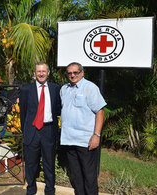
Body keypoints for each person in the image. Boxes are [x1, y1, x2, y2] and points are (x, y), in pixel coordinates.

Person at [60, 62, 106, 195]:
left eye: (75, 72)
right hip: (69, 139)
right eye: (69, 73)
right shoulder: (64, 89)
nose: (72, 75)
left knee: (89, 175)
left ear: (82, 73)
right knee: (76, 175)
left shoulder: (90, 88)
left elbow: (100, 111)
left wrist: (96, 135)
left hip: (86, 141)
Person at [19, 62, 61, 195]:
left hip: (48, 131)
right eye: (38, 71)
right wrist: (25, 131)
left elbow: (58, 109)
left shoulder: (55, 89)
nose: (41, 74)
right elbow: (23, 113)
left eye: (43, 71)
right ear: (34, 73)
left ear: (48, 72)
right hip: (32, 131)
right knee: (31, 164)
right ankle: (31, 190)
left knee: (49, 164)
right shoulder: (26, 90)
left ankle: (50, 191)